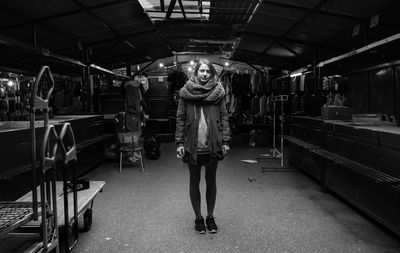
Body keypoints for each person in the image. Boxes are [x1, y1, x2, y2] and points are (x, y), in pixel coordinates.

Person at [175, 58, 231, 234]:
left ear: (212, 73)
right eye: (202, 71)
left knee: (211, 181)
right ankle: (198, 217)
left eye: (208, 71)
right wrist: (179, 142)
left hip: (213, 144)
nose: (205, 74)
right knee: (194, 181)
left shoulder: (218, 93)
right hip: (192, 144)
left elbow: (223, 117)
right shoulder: (186, 93)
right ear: (196, 73)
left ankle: (210, 216)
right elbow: (181, 118)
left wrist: (226, 141)